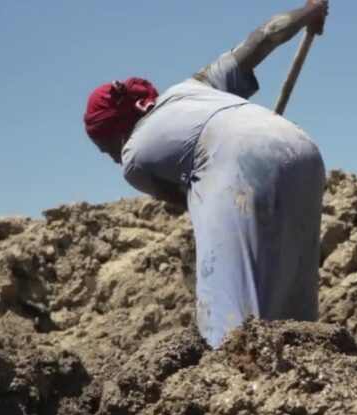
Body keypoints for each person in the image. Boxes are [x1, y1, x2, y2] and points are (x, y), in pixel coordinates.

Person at [83, 1, 329, 347]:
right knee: (295, 301)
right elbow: (263, 38)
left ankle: (238, 385)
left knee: (231, 324)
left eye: (105, 147)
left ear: (116, 133)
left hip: (244, 164)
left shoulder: (134, 157)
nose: (111, 158)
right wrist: (310, 10)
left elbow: (196, 202)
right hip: (302, 151)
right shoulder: (194, 87)